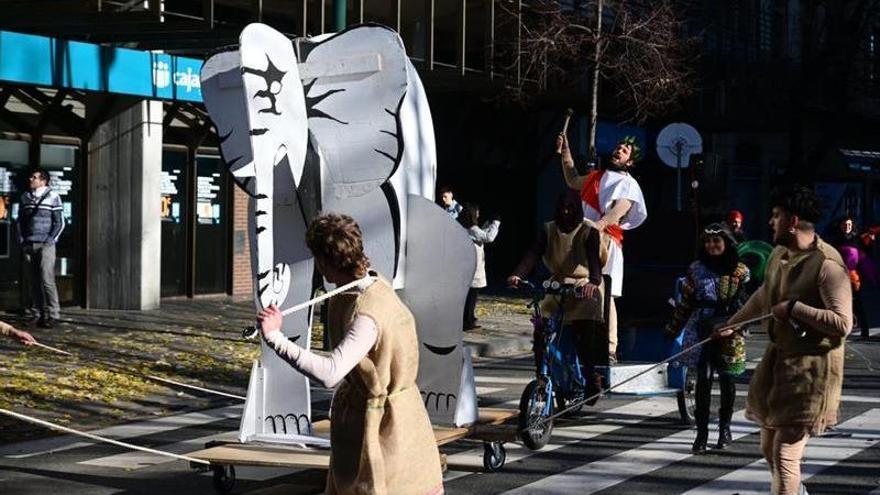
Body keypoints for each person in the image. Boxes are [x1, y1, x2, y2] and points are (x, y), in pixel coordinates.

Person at [258, 213, 443, 495]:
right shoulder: (372, 282)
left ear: (325, 262)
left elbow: (331, 373)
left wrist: (275, 338)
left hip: (386, 428)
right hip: (389, 417)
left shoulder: (368, 312)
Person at [715, 185, 852, 495]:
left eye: (776, 216)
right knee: (767, 445)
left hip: (811, 371)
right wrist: (732, 325)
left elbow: (842, 324)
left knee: (784, 452)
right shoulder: (779, 254)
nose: (770, 222)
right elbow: (765, 294)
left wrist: (794, 308)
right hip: (778, 363)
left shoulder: (828, 265)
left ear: (793, 221)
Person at [557, 134, 647, 364]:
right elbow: (572, 178)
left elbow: (617, 211)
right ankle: (572, 341)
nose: (619, 150)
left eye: (625, 150)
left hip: (606, 241)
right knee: (573, 288)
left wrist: (598, 226)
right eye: (618, 146)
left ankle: (609, 349)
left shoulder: (628, 184)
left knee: (606, 296)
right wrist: (565, 150)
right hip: (583, 239)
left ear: (630, 161)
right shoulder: (596, 177)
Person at [507, 190, 605, 399]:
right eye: (562, 208)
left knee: (584, 329)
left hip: (583, 282)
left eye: (570, 208)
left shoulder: (589, 230)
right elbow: (534, 252)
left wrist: (594, 282)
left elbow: (594, 259)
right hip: (557, 283)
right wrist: (517, 275)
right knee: (541, 329)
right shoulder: (549, 229)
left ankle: (590, 376)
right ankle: (540, 375)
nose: (566, 212)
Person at [665, 223, 750, 454]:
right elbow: (686, 302)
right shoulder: (696, 269)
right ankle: (701, 434)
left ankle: (725, 428)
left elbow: (747, 304)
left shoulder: (739, 271)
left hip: (731, 327)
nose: (712, 245)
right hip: (701, 327)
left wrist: (734, 325)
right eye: (708, 242)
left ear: (727, 244)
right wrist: (673, 327)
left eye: (717, 241)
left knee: (727, 379)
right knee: (703, 379)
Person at [18, 167, 64, 328]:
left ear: (43, 181)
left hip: (46, 244)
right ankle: (37, 314)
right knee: (33, 280)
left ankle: (54, 314)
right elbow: (21, 221)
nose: (31, 179)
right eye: (31, 177)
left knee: (46, 278)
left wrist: (51, 240)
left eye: (34, 177)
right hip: (29, 243)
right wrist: (23, 240)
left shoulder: (53, 196)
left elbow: (59, 221)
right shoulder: (25, 197)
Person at [458, 203, 501, 331]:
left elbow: (481, 234)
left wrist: (488, 223)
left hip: (466, 265)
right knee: (472, 295)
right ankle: (468, 321)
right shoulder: (472, 229)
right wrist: (496, 223)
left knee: (468, 295)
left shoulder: (464, 228)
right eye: (476, 212)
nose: (478, 214)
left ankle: (469, 318)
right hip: (474, 266)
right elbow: (489, 237)